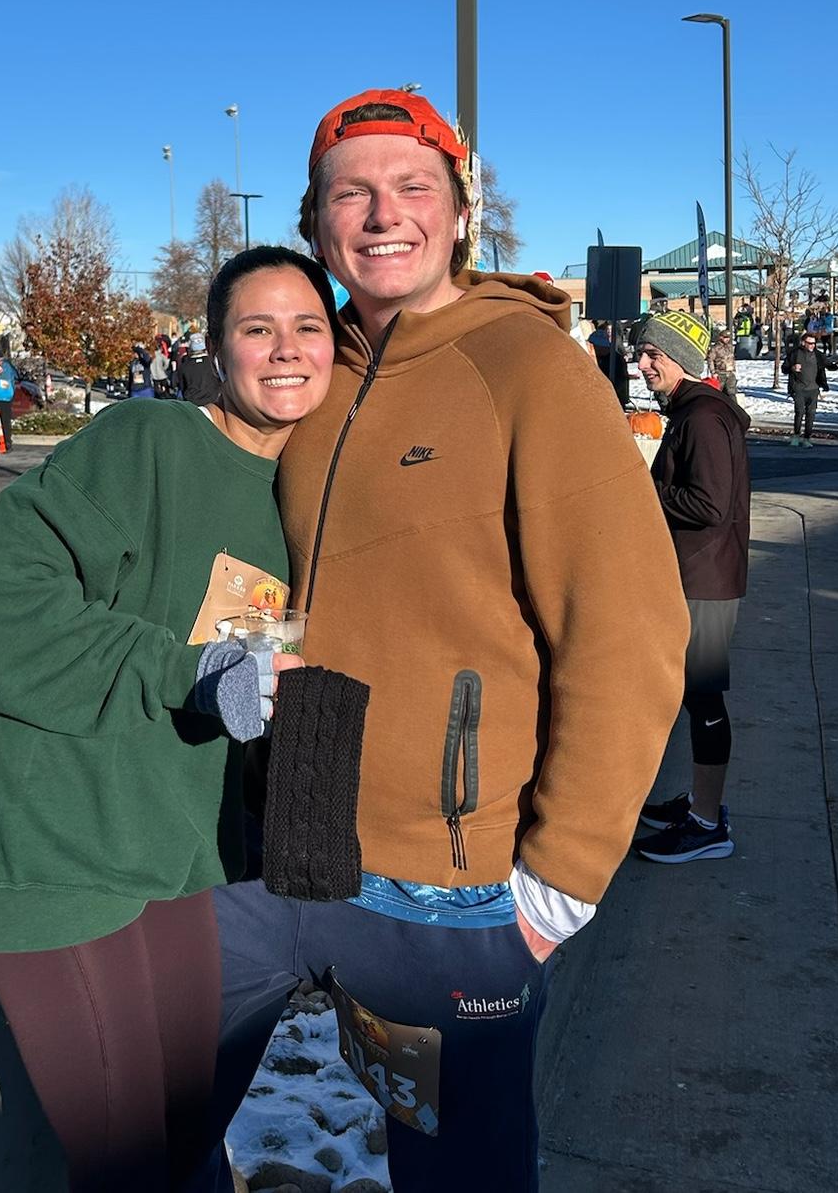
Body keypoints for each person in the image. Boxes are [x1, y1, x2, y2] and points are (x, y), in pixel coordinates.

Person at [208, 89, 688, 1193]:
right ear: (315, 221)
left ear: (463, 212)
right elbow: (251, 561)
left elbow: (629, 632)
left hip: (452, 891)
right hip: (295, 849)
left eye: (414, 187)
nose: (385, 214)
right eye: (353, 194)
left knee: (457, 1172)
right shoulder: (311, 376)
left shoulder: (530, 370)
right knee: (157, 1123)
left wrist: (560, 882)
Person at [0, 247, 338, 1193]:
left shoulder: (301, 497)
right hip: (53, 844)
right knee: (126, 1163)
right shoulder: (146, 441)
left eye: (308, 327)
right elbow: (8, 609)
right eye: (258, 329)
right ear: (216, 349)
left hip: (173, 852)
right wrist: (185, 672)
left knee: (189, 1138)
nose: (286, 349)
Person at [631, 312, 750, 863]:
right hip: (697, 575)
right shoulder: (691, 411)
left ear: (681, 358)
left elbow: (710, 505)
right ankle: (700, 804)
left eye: (653, 354)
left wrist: (644, 484)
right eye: (641, 353)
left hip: (704, 580)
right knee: (692, 697)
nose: (642, 363)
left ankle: (707, 823)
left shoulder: (702, 417)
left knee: (703, 699)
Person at [785, 330, 828, 446]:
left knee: (811, 414)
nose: (812, 346)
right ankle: (796, 436)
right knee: (799, 412)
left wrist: (836, 365)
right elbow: (785, 368)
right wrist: (793, 368)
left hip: (813, 389)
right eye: (810, 343)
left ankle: (807, 438)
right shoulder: (795, 353)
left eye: (814, 343)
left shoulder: (818, 355)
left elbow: (826, 365)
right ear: (803, 343)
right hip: (799, 388)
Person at [175, 330, 220, 406]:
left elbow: (182, 387)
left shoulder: (184, 366)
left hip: (192, 403)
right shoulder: (213, 363)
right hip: (212, 402)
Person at [707, 322, 737, 400]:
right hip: (720, 373)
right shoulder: (715, 348)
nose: (727, 339)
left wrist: (733, 369)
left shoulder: (730, 347)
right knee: (718, 394)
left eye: (728, 337)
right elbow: (710, 360)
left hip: (730, 373)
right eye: (725, 337)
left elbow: (732, 358)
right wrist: (713, 372)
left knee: (731, 393)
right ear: (720, 337)